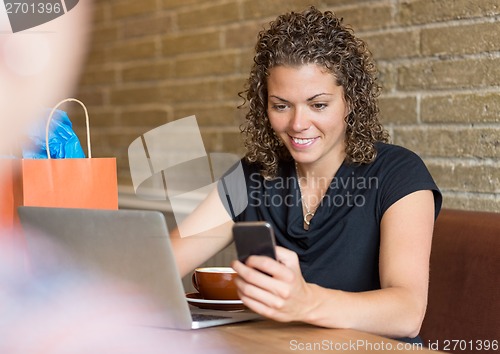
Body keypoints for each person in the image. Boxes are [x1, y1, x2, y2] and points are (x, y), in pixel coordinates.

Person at [170, 6, 442, 343]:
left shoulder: (398, 174)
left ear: (350, 101)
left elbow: (407, 313)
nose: (297, 124)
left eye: (318, 104)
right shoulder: (251, 177)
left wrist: (306, 302)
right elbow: (164, 265)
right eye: (281, 105)